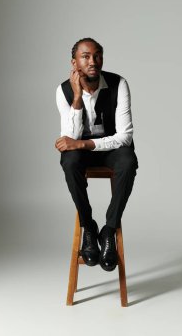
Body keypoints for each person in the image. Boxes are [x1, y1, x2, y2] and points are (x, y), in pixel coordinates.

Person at [55, 37, 138, 272]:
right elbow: (70, 137)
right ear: (74, 62)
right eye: (85, 56)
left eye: (97, 55)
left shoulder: (119, 84)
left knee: (128, 160)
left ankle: (109, 230)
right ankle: (89, 228)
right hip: (83, 152)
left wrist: (83, 144)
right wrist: (78, 98)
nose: (93, 61)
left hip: (112, 150)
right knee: (69, 161)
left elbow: (125, 137)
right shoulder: (63, 91)